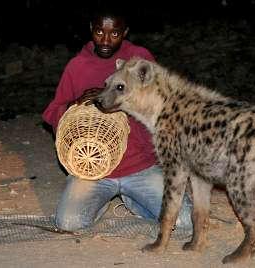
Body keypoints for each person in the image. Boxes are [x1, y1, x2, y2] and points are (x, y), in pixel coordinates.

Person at [42, 6, 192, 231]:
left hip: (140, 166)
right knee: (69, 223)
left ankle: (133, 199)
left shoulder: (140, 60)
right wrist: (76, 103)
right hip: (92, 169)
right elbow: (52, 112)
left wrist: (119, 100)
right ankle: (99, 202)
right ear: (91, 29)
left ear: (125, 32)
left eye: (114, 34)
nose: (105, 40)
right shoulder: (77, 66)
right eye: (99, 32)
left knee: (184, 222)